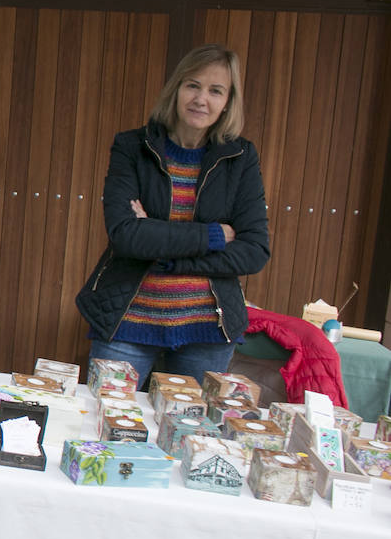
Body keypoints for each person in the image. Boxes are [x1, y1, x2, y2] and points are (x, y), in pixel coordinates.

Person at [75, 43, 270, 384]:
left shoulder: (241, 157)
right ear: (176, 89)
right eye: (192, 85)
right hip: (127, 322)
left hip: (207, 331)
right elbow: (126, 235)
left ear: (228, 102)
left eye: (215, 90)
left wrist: (169, 253)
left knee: (193, 436)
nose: (201, 99)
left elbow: (254, 251)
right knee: (106, 424)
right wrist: (211, 236)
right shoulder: (132, 147)